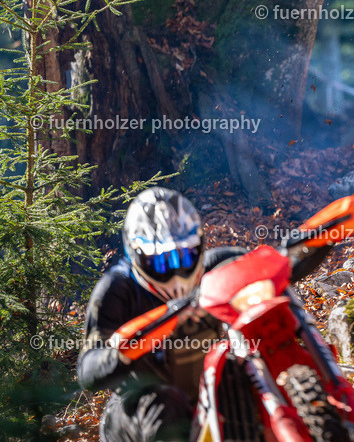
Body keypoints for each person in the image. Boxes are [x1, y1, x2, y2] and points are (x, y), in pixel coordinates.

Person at [78, 187, 241, 441]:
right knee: (164, 401)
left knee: (242, 376)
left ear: (199, 246)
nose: (176, 273)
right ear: (137, 256)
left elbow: (272, 263)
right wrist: (123, 350)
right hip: (134, 413)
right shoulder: (117, 289)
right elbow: (87, 370)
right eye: (162, 262)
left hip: (204, 396)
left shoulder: (214, 267)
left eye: (185, 256)